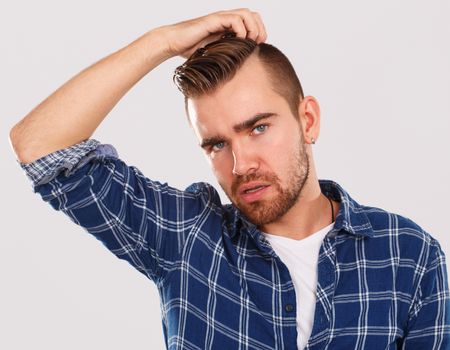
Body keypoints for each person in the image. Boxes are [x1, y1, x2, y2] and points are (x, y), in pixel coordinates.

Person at [9, 8, 449, 350]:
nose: (240, 165)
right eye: (216, 144)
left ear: (308, 120)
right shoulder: (188, 237)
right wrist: (161, 42)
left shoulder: (406, 254)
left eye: (258, 128)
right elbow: (41, 146)